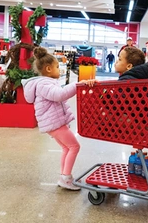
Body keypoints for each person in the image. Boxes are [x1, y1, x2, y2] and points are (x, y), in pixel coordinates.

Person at [22, 47, 95, 191]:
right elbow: (59, 95)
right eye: (57, 67)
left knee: (66, 148)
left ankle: (64, 176)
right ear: (48, 69)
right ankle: (66, 178)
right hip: (54, 123)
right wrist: (77, 84)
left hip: (54, 122)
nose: (59, 69)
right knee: (74, 146)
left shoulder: (46, 82)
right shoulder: (44, 84)